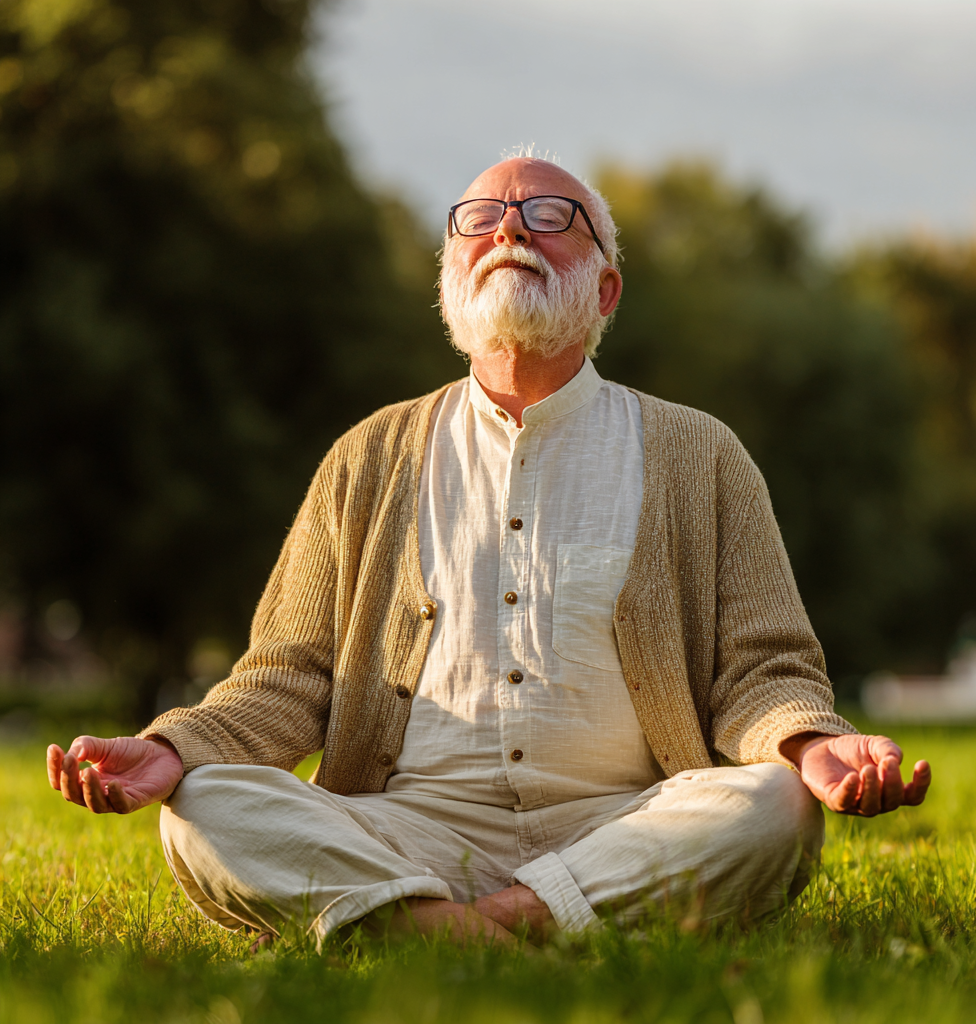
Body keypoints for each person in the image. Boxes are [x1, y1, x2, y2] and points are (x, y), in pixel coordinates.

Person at [47, 157, 931, 948]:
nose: (509, 227)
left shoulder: (701, 454)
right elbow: (289, 675)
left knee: (773, 806)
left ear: (606, 290)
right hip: (405, 826)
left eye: (550, 216)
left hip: (626, 824)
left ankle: (431, 929)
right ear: (450, 285)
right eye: (479, 218)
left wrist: (811, 744)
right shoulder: (369, 456)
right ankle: (526, 924)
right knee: (203, 807)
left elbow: (763, 667)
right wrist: (177, 748)